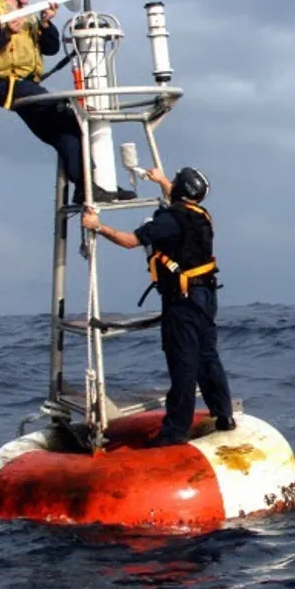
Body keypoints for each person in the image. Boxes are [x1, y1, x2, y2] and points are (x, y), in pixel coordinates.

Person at [81, 166, 236, 446]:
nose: (172, 184)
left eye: (175, 181)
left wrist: (97, 227)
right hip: (205, 298)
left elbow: (129, 241)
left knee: (183, 366)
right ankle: (224, 414)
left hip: (182, 303)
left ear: (182, 190)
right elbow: (178, 202)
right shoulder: (200, 215)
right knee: (208, 357)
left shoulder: (168, 222)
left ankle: (175, 432)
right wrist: (162, 180)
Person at [0, 0, 134, 204]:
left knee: (67, 131)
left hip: (26, 83)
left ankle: (88, 188)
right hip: (7, 84)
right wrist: (5, 33)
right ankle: (89, 185)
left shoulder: (30, 15)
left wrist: (46, 23)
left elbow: (51, 48)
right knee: (63, 109)